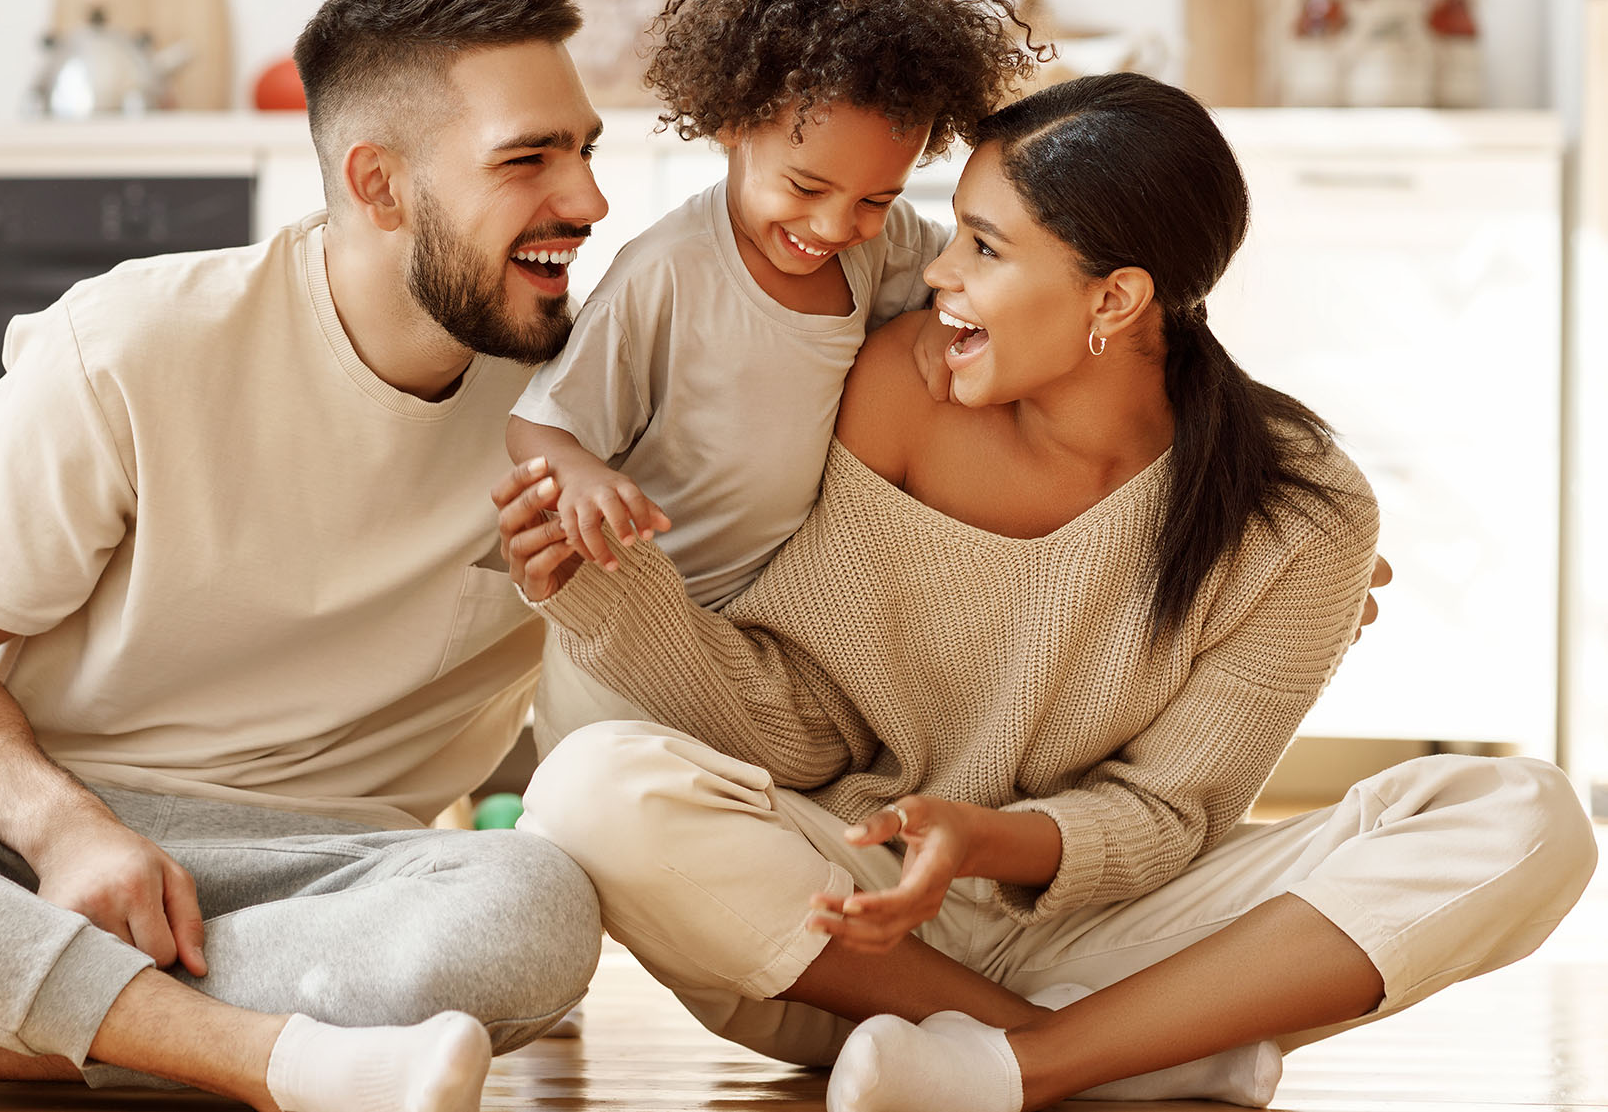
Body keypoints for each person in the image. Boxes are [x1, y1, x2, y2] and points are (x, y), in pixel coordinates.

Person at [495, 73, 1598, 1112]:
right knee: (590, 787)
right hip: (849, 940)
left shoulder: (1300, 511)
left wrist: (980, 840)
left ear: (1113, 299)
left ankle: (1027, 1062)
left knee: (1527, 816)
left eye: (983, 247)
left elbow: (1168, 817)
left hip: (1112, 929)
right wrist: (605, 591)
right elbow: (802, 717)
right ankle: (1111, 1054)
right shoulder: (903, 390)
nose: (937, 273)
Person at [0, 0, 609, 1112]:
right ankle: (272, 1057)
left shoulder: (596, 395)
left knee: (530, 910)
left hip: (336, 875)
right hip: (32, 852)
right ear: (379, 184)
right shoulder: (136, 345)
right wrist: (67, 832)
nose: (585, 200)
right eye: (529, 159)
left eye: (583, 148)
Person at [506, 0, 1033, 748]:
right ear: (731, 124)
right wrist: (579, 476)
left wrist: (957, 320)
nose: (833, 227)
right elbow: (539, 424)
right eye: (805, 187)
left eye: (875, 197)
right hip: (626, 651)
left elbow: (957, 280)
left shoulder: (881, 245)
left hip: (759, 642)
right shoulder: (668, 273)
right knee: (614, 821)